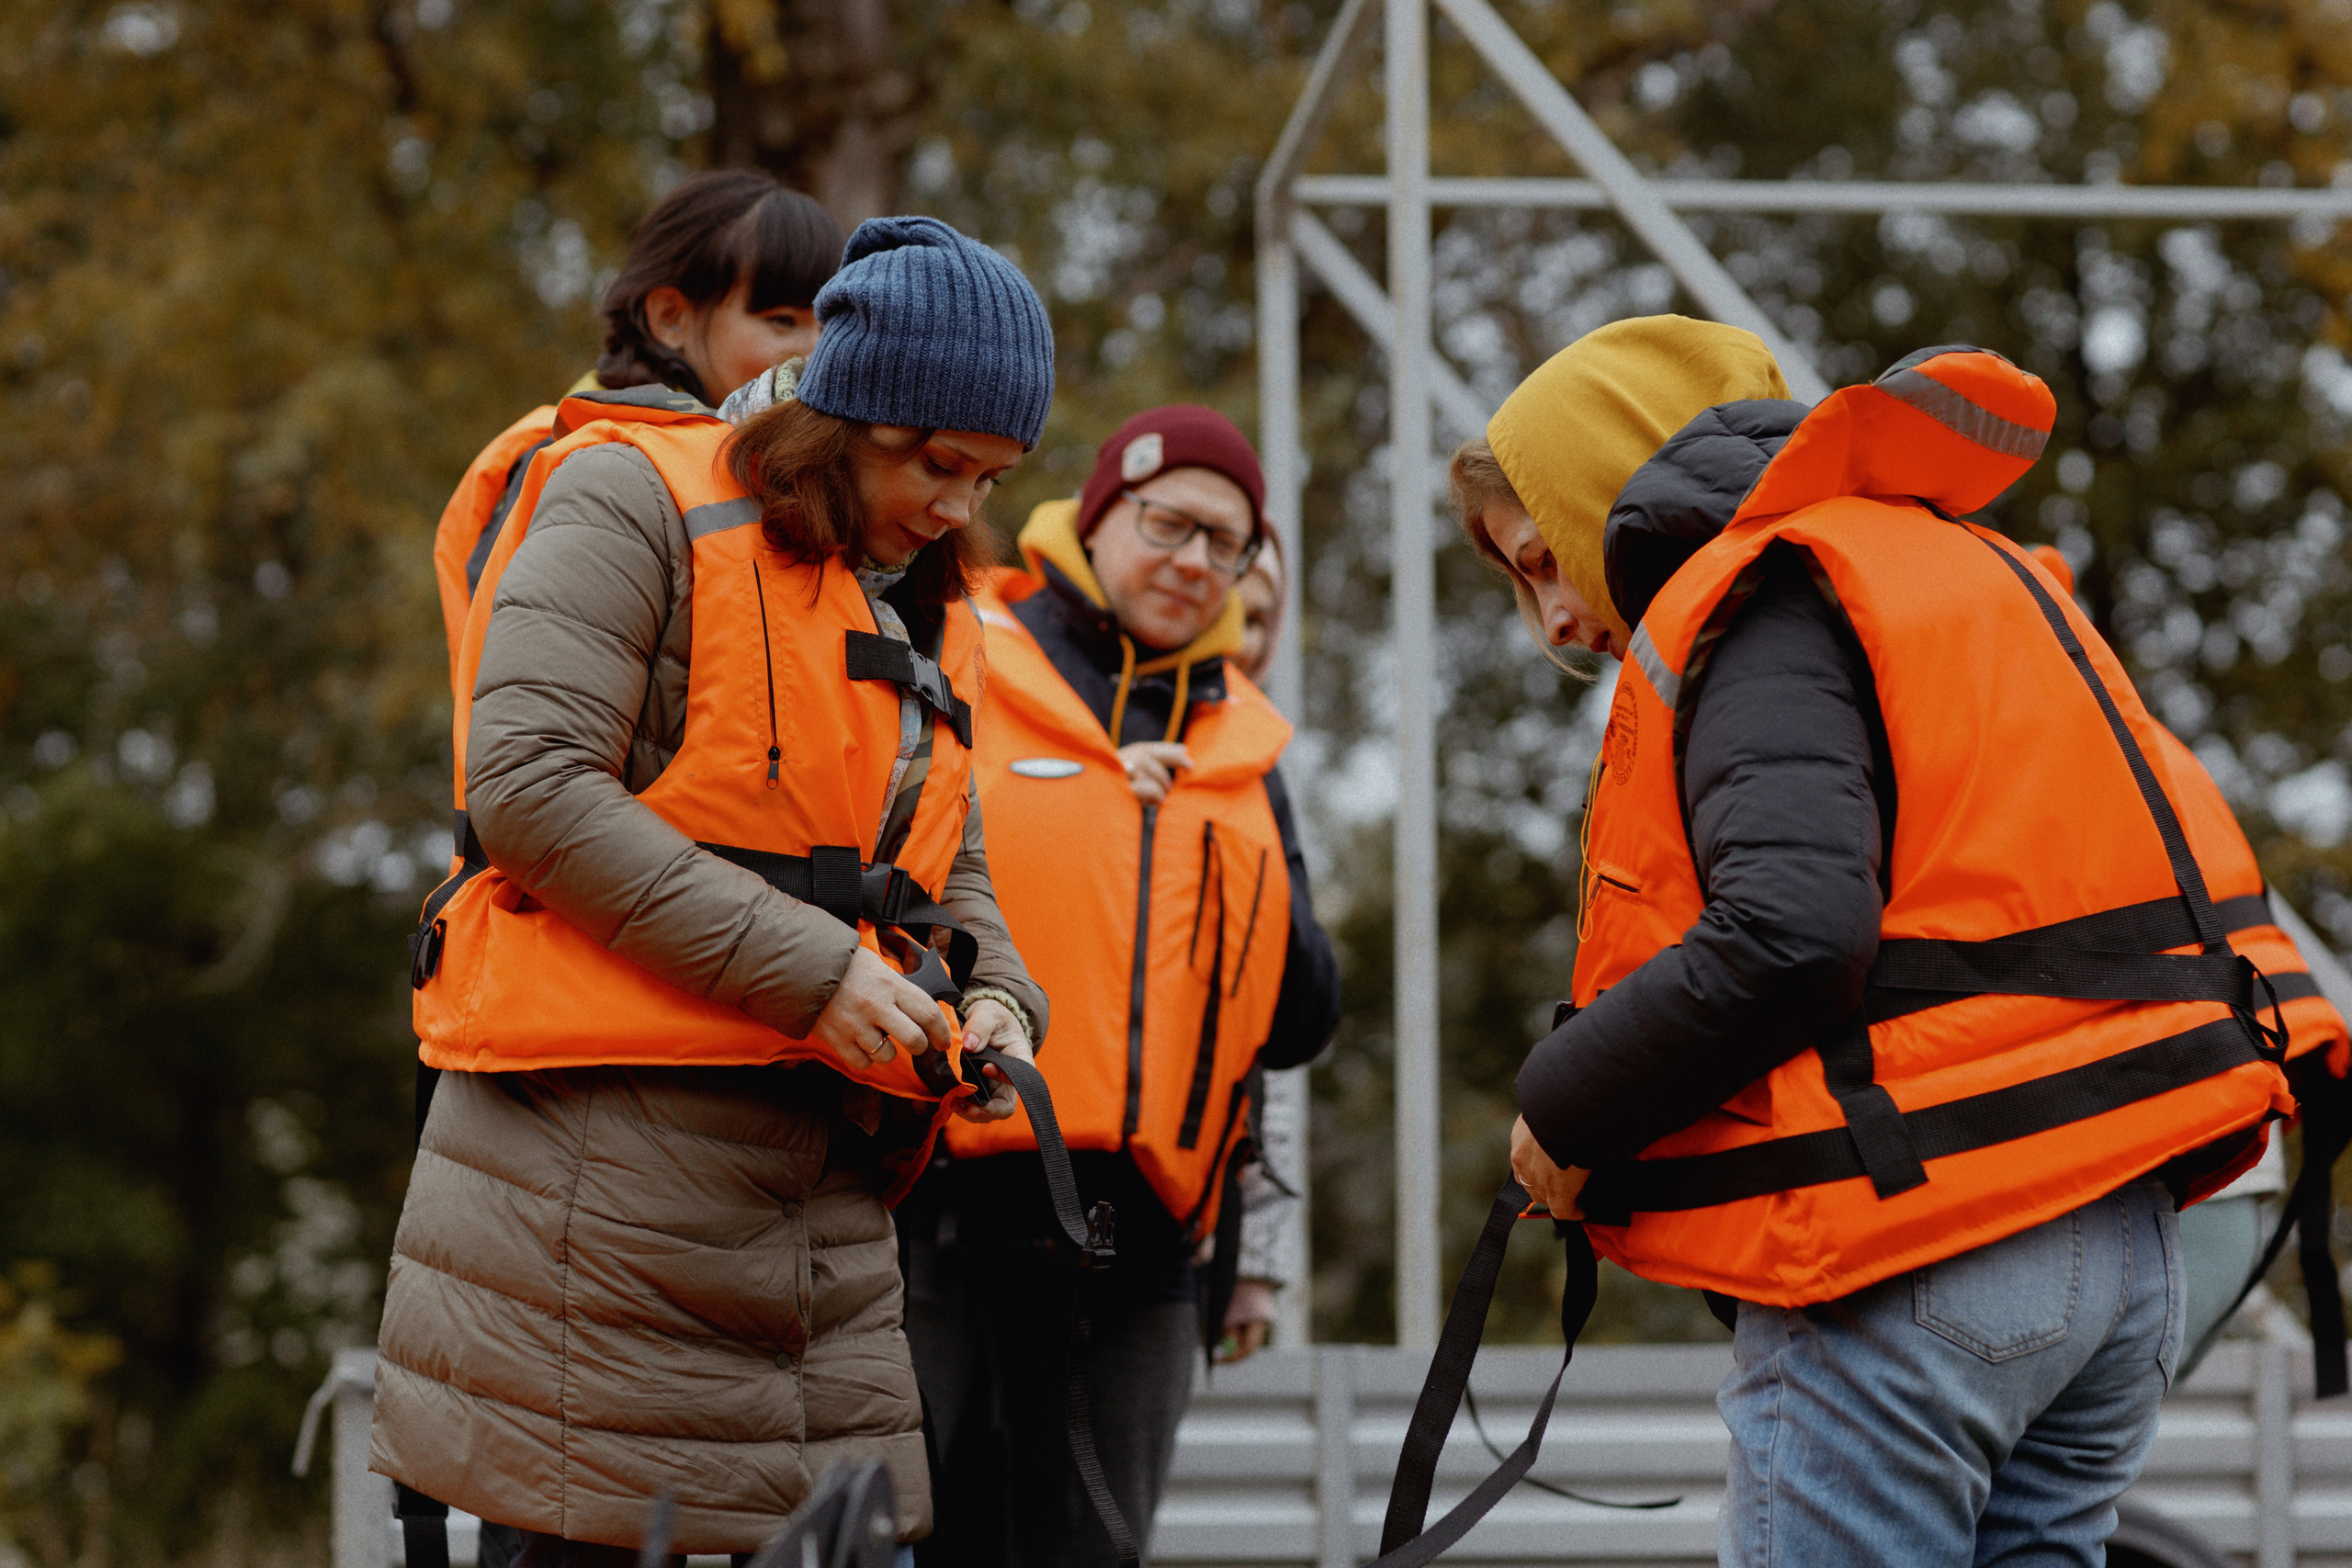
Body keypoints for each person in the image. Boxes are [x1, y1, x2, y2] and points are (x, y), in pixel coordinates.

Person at [1468, 316, 2293, 1566]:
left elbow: (1793, 936)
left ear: (1606, 482)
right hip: (2123, 1240)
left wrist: (1565, 1104)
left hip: (1925, 1237)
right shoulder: (1958, 569)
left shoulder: (1759, 591)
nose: (1552, 623)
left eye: (1539, 562)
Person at [374, 216, 1058, 1567]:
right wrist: (815, 971)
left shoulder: (919, 601)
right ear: (844, 411)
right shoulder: (630, 494)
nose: (961, 509)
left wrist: (1000, 996)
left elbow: (944, 852)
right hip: (591, 1196)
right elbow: (526, 783)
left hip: (821, 1232)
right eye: (938, 464)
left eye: (993, 478)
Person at [900, 406, 1342, 1568]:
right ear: (1099, 517)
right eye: (1169, 526)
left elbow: (1301, 1012)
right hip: (929, 1206)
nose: (1196, 563)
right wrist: (1087, 815)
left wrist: (1189, 858)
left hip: (1141, 1243)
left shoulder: (1241, 745)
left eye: (1228, 547)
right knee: (889, 1536)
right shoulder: (962, 643)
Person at [430, 170, 845, 690]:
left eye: (831, 327)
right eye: (783, 321)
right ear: (672, 317)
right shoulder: (589, 470)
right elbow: (545, 732)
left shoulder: (768, 468)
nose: (817, 354)